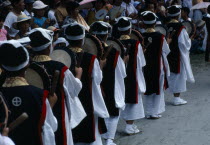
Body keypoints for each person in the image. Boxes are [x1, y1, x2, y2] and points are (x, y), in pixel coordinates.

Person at [29, 28, 86, 145]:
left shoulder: (27, 67)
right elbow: (74, 90)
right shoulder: (60, 67)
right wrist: (78, 75)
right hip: (58, 111)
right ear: (49, 47)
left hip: (34, 114)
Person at [0, 40, 57, 145]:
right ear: (27, 65)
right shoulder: (39, 95)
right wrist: (51, 104)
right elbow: (51, 128)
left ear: (2, 67)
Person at [64, 23, 109, 145]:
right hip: (88, 98)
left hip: (68, 99)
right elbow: (98, 79)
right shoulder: (91, 58)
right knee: (90, 129)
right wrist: (101, 66)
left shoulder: (61, 57)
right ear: (83, 39)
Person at [90, 21, 126, 145]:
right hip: (110, 86)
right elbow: (122, 73)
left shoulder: (86, 54)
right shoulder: (114, 53)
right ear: (106, 35)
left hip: (91, 88)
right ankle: (109, 139)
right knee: (113, 109)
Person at [116, 17, 146, 135]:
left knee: (122, 97)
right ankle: (129, 125)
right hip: (132, 73)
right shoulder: (136, 43)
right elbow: (141, 62)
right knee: (132, 98)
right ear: (129, 29)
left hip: (119, 76)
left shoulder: (114, 43)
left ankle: (130, 124)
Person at [141, 11, 170, 119]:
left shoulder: (141, 36)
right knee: (158, 87)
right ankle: (155, 111)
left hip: (145, 66)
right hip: (158, 65)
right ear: (154, 24)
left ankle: (148, 112)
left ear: (144, 24)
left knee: (148, 87)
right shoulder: (160, 36)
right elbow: (166, 50)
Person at [167, 5, 195, 105]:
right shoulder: (181, 28)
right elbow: (184, 44)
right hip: (177, 55)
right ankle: (176, 98)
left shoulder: (165, 26)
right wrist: (190, 40)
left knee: (170, 74)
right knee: (178, 75)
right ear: (178, 14)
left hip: (167, 54)